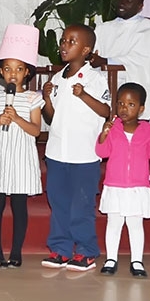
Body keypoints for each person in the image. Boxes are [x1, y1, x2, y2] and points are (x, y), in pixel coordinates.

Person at [41, 24, 110, 271]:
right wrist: (47, 98)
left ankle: (85, 251)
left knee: (81, 205)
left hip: (84, 155)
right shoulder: (57, 78)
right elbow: (51, 117)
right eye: (63, 40)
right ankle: (60, 249)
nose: (64, 45)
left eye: (72, 41)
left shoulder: (95, 78)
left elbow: (106, 111)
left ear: (86, 50)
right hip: (57, 152)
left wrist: (84, 95)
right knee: (58, 203)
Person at [0, 24, 45, 268]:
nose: (13, 74)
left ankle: (16, 251)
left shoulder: (33, 98)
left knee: (19, 205)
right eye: (8, 69)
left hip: (21, 158)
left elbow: (36, 130)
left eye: (19, 69)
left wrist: (17, 118)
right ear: (1, 72)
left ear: (27, 72)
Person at [95, 83, 150, 278]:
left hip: (137, 186)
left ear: (141, 108)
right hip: (115, 185)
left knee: (135, 224)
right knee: (114, 222)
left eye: (131, 104)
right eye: (120, 103)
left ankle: (137, 260)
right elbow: (102, 152)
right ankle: (111, 259)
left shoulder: (148, 131)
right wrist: (103, 135)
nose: (124, 108)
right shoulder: (113, 128)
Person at [90, 0, 150, 120]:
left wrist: (105, 61)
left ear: (140, 7)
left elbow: (141, 60)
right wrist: (93, 59)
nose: (122, 3)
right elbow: (92, 53)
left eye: (129, 1)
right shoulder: (104, 28)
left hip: (130, 77)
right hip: (102, 77)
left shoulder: (147, 28)